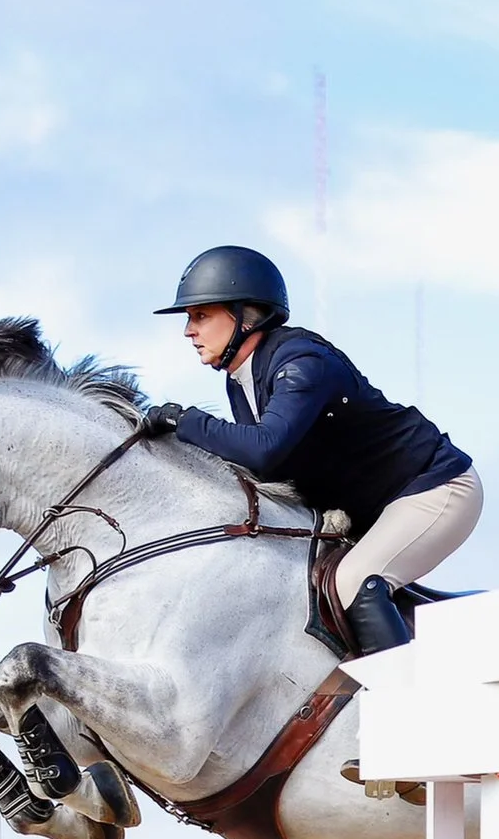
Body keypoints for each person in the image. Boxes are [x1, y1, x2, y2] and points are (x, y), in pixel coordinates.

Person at [144, 245, 480, 654]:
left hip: (434, 488)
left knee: (354, 584)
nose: (188, 331)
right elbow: (268, 473)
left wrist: (188, 422)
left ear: (247, 314)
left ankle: (400, 709)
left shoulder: (302, 360)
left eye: (201, 316)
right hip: (376, 506)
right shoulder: (240, 379)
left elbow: (266, 450)